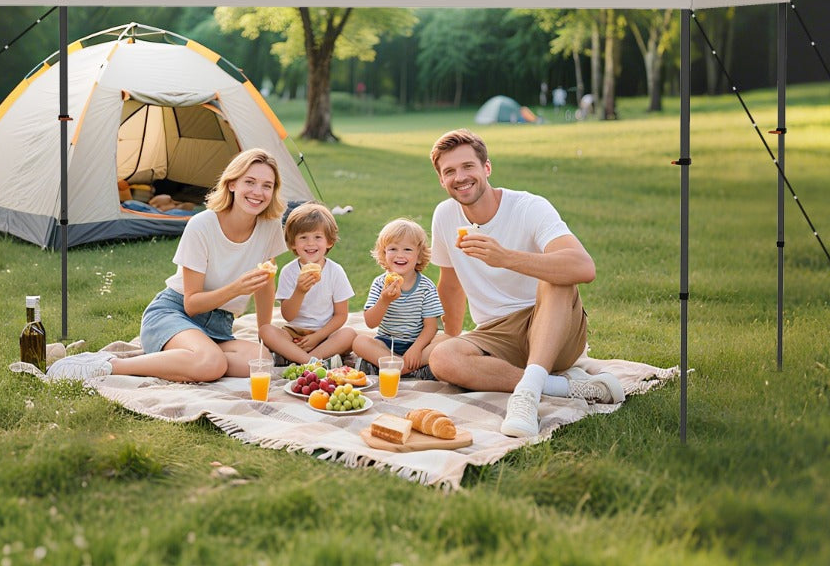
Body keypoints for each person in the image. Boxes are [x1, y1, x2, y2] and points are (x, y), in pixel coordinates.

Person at [425, 129, 622, 437]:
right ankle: (562, 386)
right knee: (442, 358)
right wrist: (449, 336)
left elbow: (584, 267)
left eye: (468, 167)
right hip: (496, 335)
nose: (460, 177)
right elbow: (449, 284)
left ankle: (527, 397)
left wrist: (505, 257)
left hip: (550, 324)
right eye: (449, 171)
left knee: (557, 278)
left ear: (486, 168)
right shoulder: (445, 216)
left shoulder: (529, 207)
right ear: (441, 180)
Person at [47, 148, 286, 383]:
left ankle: (191, 358)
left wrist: (266, 335)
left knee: (260, 361)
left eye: (267, 185)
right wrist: (236, 289)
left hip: (219, 327)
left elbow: (265, 285)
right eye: (250, 182)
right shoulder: (202, 225)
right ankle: (108, 365)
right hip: (173, 313)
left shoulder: (270, 227)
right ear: (232, 183)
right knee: (212, 363)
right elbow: (191, 305)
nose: (258, 192)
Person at [260, 202, 357, 366]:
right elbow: (288, 316)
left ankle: (297, 358)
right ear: (292, 243)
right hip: (294, 333)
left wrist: (318, 337)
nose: (310, 243)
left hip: (325, 334)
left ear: (329, 242)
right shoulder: (289, 271)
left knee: (349, 334)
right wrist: (300, 291)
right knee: (265, 331)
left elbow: (341, 315)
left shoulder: (335, 271)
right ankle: (312, 361)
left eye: (317, 237)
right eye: (303, 237)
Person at [352, 218, 442, 375]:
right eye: (393, 249)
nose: (400, 255)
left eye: (407, 250)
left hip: (416, 344)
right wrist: (384, 301)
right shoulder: (380, 283)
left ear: (419, 256)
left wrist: (416, 349)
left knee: (446, 341)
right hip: (386, 344)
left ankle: (391, 367)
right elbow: (370, 323)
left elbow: (431, 327)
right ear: (384, 253)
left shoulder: (426, 287)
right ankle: (408, 369)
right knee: (359, 342)